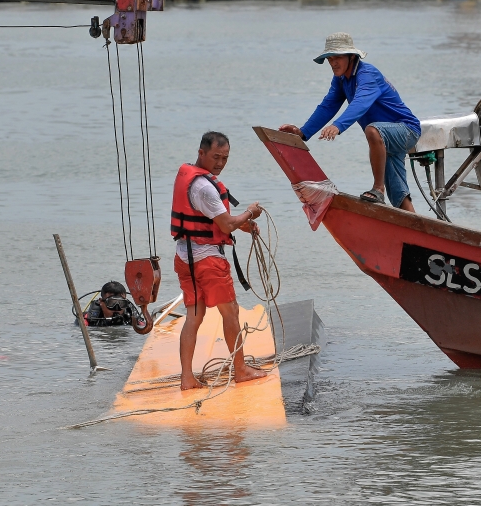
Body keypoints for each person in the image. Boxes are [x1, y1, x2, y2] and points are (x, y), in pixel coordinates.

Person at [279, 32, 421, 210]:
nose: (333, 63)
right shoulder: (340, 80)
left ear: (351, 56)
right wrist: (303, 132)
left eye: (337, 57)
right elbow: (328, 105)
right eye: (329, 58)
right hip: (384, 139)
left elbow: (360, 103)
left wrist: (338, 126)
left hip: (406, 129)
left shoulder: (368, 74)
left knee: (372, 130)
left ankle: (378, 189)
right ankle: (416, 230)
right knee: (399, 195)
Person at [170, 131, 268, 390]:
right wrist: (250, 212)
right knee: (231, 311)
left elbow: (213, 220)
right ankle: (241, 370)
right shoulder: (204, 187)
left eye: (225, 158)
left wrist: (245, 225)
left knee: (194, 316)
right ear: (201, 153)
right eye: (216, 157)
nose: (220, 163)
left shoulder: (190, 178)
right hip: (207, 261)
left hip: (185, 258)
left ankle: (187, 378)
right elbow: (225, 225)